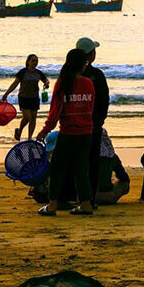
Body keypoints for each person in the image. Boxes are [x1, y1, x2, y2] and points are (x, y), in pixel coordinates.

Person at [35, 48, 95, 215]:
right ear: (82, 65)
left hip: (68, 133)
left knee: (57, 170)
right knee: (81, 170)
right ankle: (86, 204)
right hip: (86, 134)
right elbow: (90, 108)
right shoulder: (88, 83)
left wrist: (45, 130)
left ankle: (52, 205)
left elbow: (55, 112)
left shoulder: (63, 83)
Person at [76, 37, 110, 207]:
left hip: (73, 126)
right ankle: (90, 199)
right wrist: (99, 121)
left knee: (77, 163)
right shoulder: (97, 75)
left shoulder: (70, 74)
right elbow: (104, 100)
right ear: (90, 54)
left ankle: (77, 197)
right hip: (92, 125)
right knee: (92, 163)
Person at [2, 54, 50, 141]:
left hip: (34, 98)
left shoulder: (38, 73)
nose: (35, 62)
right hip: (23, 98)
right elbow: (15, 84)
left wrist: (47, 83)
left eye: (36, 61)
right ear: (28, 62)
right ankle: (19, 130)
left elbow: (46, 80)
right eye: (33, 61)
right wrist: (6, 94)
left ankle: (29, 138)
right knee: (27, 117)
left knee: (33, 118)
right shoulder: (23, 72)